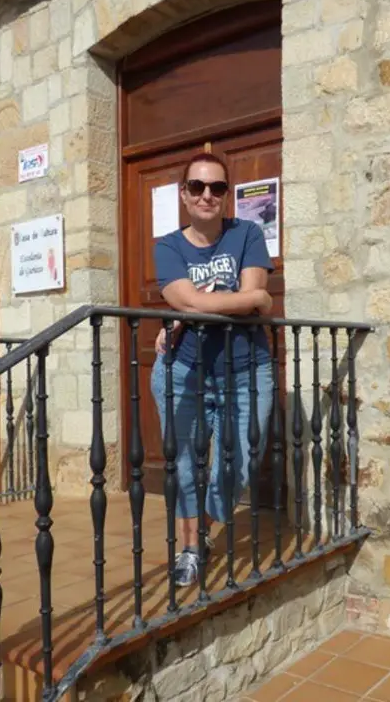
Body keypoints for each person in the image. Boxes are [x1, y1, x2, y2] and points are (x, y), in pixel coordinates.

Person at [150, 151, 275, 586]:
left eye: (217, 187)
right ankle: (188, 548)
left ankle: (202, 528)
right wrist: (244, 301)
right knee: (185, 465)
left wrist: (194, 306)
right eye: (198, 187)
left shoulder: (248, 234)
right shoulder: (168, 246)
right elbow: (237, 297)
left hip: (246, 370)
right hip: (184, 369)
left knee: (239, 460)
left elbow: (252, 289)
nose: (207, 195)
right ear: (184, 195)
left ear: (226, 196)